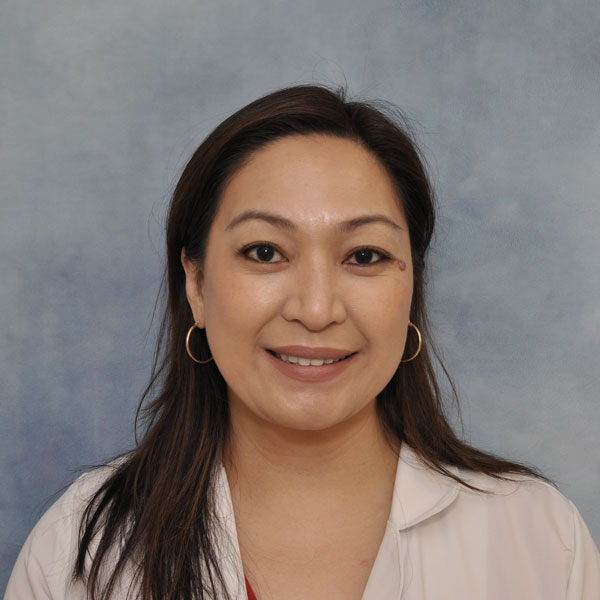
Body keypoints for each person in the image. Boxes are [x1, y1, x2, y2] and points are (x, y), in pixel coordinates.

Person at [5, 84, 600, 600]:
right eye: (264, 253)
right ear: (197, 285)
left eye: (364, 256)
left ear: (412, 288)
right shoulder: (81, 549)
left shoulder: (539, 537)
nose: (316, 310)